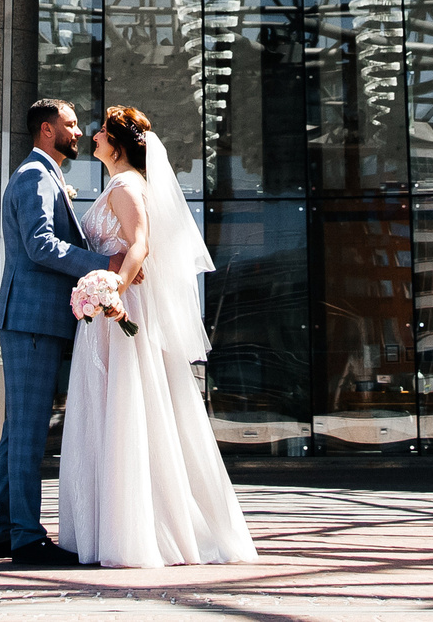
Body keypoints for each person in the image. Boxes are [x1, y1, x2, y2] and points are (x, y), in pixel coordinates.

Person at [58, 106, 258, 567]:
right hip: (109, 309)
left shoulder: (127, 186)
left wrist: (114, 287)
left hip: (120, 308)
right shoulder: (119, 184)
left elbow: (140, 244)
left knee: (126, 406)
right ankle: (111, 527)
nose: (93, 136)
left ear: (117, 144)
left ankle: (137, 533)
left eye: (102, 132)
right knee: (114, 408)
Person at [0, 98, 101, 566]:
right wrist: (103, 264)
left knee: (19, 431)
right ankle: (27, 539)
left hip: (34, 320)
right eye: (71, 124)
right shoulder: (34, 175)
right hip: (32, 320)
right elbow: (40, 245)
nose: (78, 131)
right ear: (47, 130)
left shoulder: (44, 174)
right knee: (29, 434)